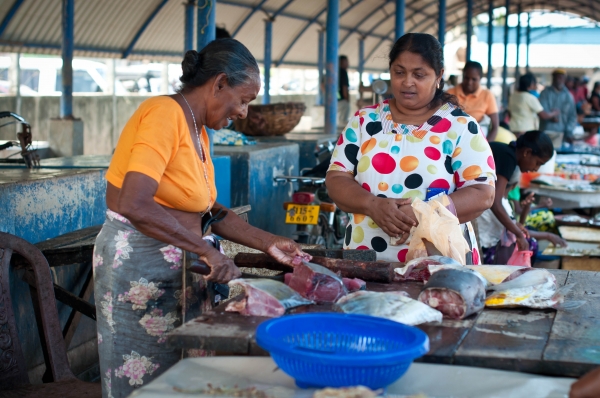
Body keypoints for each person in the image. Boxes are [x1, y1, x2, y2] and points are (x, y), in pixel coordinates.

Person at [93, 39, 309, 398]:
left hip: (180, 267)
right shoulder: (164, 114)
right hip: (141, 268)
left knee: (184, 378)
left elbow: (206, 210)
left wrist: (268, 241)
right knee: (144, 380)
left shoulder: (197, 127)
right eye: (243, 99)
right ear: (219, 83)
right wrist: (207, 252)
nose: (243, 112)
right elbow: (134, 203)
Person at [326, 33, 496, 264]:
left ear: (439, 76)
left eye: (419, 74)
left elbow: (482, 194)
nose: (407, 82)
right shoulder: (364, 121)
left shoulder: (461, 126)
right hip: (365, 260)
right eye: (399, 72)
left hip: (439, 262)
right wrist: (372, 204)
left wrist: (423, 213)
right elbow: (337, 178)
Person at [483, 131, 555, 257]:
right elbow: (495, 202)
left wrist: (515, 227)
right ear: (527, 152)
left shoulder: (506, 152)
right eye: (538, 163)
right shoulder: (508, 157)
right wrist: (518, 234)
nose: (536, 169)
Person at [447, 61, 499, 141]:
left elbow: (495, 127)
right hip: (453, 132)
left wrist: (487, 146)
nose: (469, 82)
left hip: (476, 135)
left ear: (480, 78)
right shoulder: (450, 93)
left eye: (474, 79)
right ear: (463, 75)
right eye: (467, 78)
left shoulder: (487, 95)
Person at [539, 69, 577, 143]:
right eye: (557, 77)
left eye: (561, 77)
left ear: (564, 79)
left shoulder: (568, 96)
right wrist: (551, 116)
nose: (558, 80)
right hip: (547, 132)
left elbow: (572, 116)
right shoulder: (545, 93)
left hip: (563, 134)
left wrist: (569, 131)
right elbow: (542, 111)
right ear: (553, 78)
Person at [338, 55, 350, 126]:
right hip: (341, 100)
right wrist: (347, 99)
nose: (348, 64)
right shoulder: (343, 72)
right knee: (346, 106)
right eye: (346, 62)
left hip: (333, 100)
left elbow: (322, 85)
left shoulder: (333, 71)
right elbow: (344, 87)